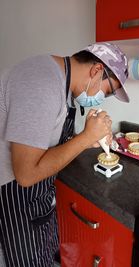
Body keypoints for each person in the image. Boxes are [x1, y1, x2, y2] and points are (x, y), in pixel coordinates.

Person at [0, 42, 129, 267]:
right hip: (12, 193)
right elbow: (26, 174)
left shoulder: (64, 85)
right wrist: (85, 138)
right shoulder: (41, 83)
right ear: (97, 70)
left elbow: (46, 142)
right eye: (106, 92)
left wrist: (89, 140)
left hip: (37, 195)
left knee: (46, 254)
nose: (100, 98)